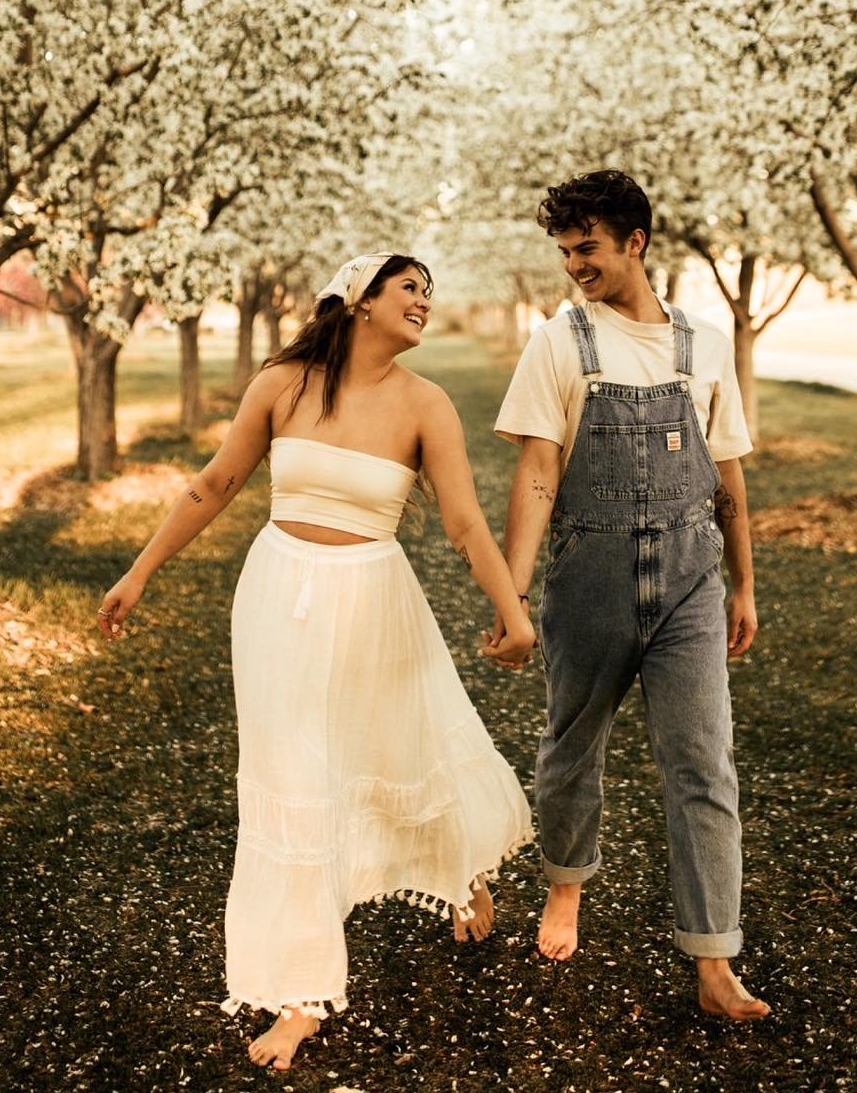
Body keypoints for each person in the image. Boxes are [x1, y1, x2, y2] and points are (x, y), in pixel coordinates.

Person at [97, 253, 536, 1072]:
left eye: (428, 293)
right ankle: (303, 996)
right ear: (361, 301)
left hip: (373, 600)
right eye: (409, 288)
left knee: (404, 748)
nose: (423, 303)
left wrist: (513, 612)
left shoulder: (426, 404)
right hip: (277, 600)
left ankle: (460, 870)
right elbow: (216, 483)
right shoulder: (281, 384)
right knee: (294, 781)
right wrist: (139, 571)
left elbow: (466, 525)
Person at [491, 172, 770, 1022]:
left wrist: (745, 582)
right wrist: (512, 598)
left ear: (635, 242)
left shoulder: (705, 344)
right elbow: (538, 471)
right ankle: (567, 885)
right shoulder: (559, 342)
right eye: (566, 250)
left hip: (690, 578)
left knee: (703, 764)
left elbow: (728, 476)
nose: (575, 264)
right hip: (590, 578)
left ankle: (715, 961)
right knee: (571, 749)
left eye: (589, 248)